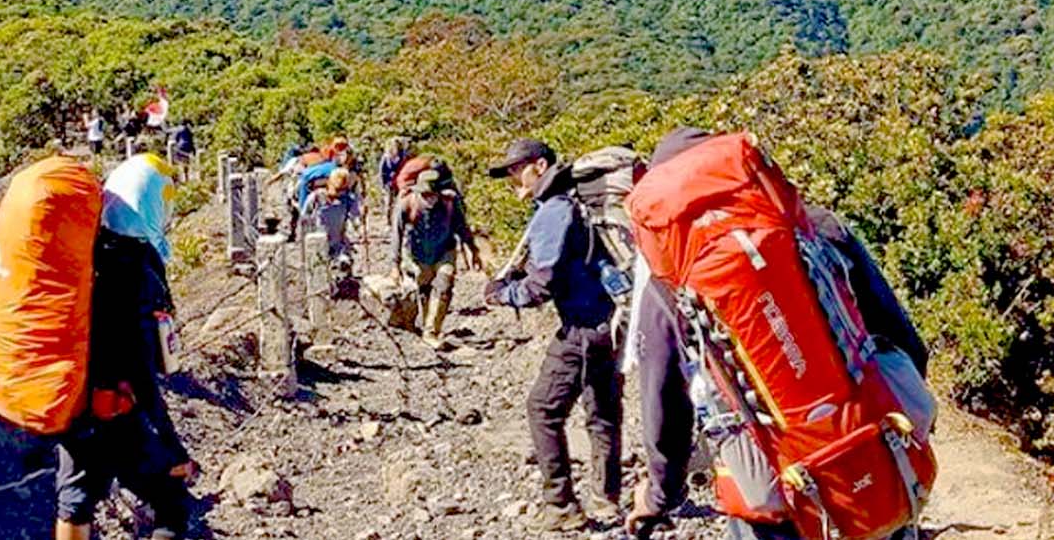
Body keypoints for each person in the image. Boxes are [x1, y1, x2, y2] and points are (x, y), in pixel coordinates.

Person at [623, 127, 930, 540]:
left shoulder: (669, 282)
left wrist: (659, 495)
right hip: (871, 457)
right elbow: (902, 339)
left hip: (773, 489)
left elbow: (664, 400)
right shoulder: (817, 228)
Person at [54, 153, 195, 540]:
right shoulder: (138, 272)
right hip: (118, 408)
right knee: (170, 502)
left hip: (73, 400)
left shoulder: (88, 253)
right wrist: (171, 445)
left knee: (74, 503)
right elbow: (140, 370)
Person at [484, 138, 623, 531]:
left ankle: (562, 505)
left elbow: (540, 286)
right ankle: (607, 498)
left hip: (581, 326)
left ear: (540, 165)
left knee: (543, 409)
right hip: (614, 322)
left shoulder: (554, 211)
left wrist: (503, 295)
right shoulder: (577, 202)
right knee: (603, 413)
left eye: (516, 168)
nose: (512, 177)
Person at [396, 167, 480, 349]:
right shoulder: (406, 203)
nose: (430, 199)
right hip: (418, 254)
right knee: (424, 290)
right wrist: (395, 264)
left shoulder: (450, 202)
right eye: (425, 195)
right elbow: (397, 234)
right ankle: (426, 324)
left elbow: (461, 227)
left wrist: (473, 250)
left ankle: (431, 331)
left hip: (445, 250)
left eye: (433, 194)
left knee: (444, 286)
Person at [301, 167, 362, 274]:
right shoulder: (316, 198)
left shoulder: (348, 200)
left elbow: (355, 219)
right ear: (329, 183)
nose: (339, 194)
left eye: (343, 190)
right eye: (337, 189)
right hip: (317, 242)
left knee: (345, 266)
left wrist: (360, 226)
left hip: (339, 243)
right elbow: (304, 219)